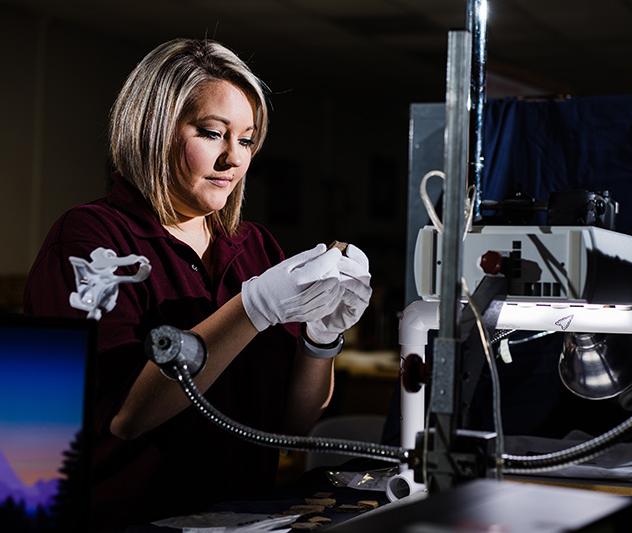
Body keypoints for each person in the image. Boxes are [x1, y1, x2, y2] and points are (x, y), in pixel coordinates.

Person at [23, 38, 371, 530]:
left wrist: (321, 338)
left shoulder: (254, 247)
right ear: (154, 130)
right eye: (212, 133)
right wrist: (252, 309)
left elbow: (292, 424)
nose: (234, 159)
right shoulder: (94, 239)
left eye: (247, 140)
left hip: (244, 515)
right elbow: (128, 417)